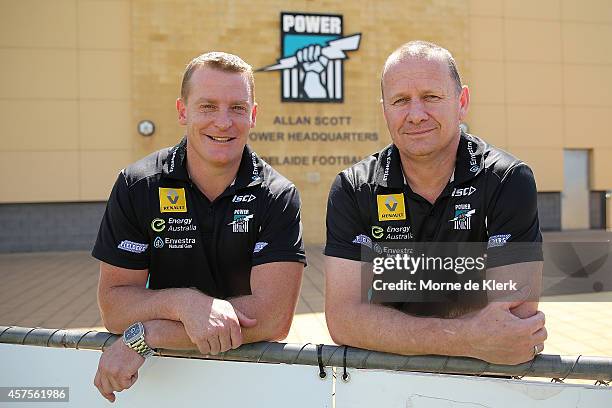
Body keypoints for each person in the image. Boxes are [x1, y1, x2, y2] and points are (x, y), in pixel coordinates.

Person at [92, 52, 305, 402]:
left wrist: (150, 332)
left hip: (252, 380)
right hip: (161, 381)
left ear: (253, 115)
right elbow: (114, 307)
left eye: (237, 107)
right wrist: (183, 303)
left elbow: (270, 319)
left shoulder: (277, 195)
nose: (223, 122)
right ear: (182, 111)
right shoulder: (138, 185)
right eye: (207, 106)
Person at [324, 41, 546, 365]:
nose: (416, 115)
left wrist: (388, 325)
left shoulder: (508, 180)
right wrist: (468, 336)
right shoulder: (354, 189)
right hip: (385, 383)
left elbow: (513, 320)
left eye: (431, 97)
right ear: (384, 109)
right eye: (400, 100)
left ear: (462, 102)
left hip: (486, 384)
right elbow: (344, 320)